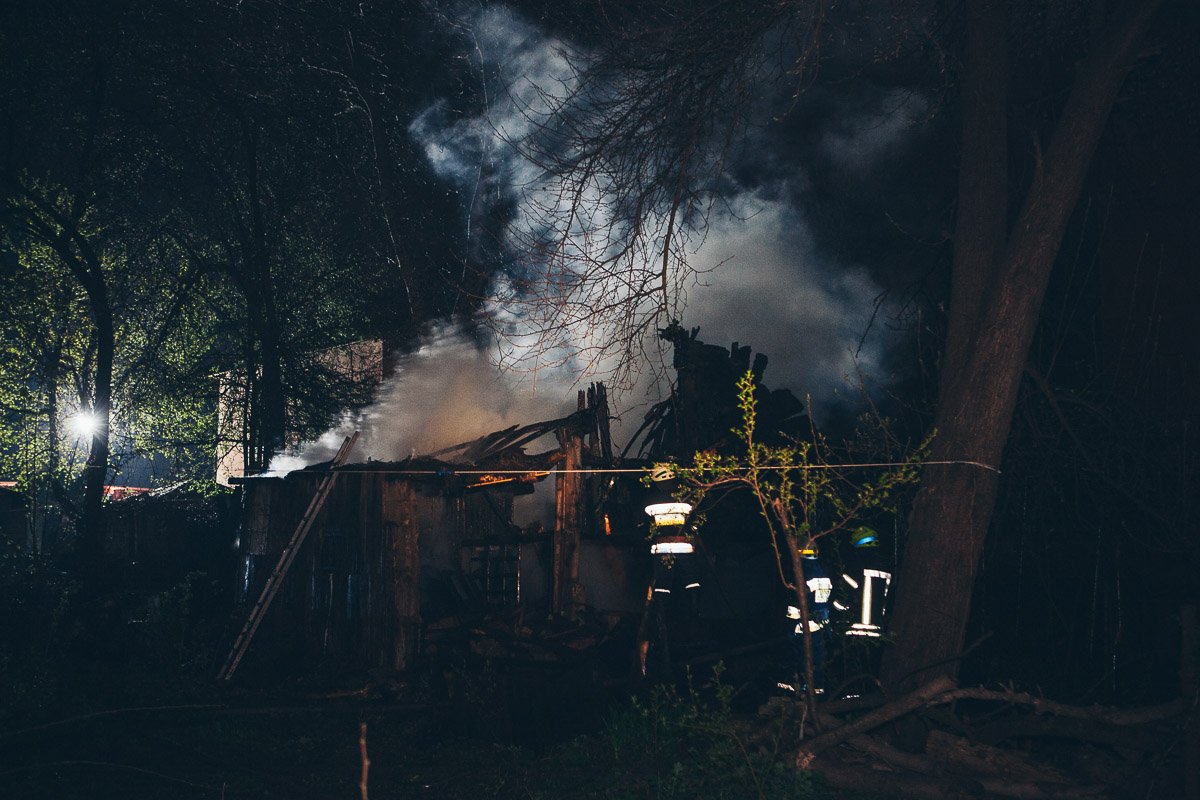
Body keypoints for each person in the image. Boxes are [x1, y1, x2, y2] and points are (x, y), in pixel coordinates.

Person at [781, 545, 832, 694]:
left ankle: (795, 688)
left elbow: (797, 602)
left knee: (799, 658)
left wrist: (791, 625)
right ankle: (816, 690)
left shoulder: (802, 571)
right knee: (817, 660)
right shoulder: (822, 571)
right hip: (821, 625)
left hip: (803, 625)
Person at [840, 527, 893, 639]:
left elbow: (843, 599)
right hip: (879, 629)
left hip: (856, 630)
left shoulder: (855, 566)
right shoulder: (885, 567)